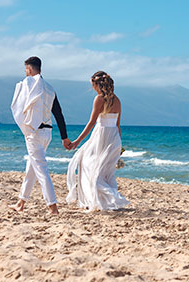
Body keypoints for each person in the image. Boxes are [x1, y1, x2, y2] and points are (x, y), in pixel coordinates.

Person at [9, 56, 72, 215]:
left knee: (41, 169)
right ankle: (21, 202)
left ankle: (53, 207)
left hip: (35, 132)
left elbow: (18, 106)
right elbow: (58, 113)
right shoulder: (50, 88)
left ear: (29, 69)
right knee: (32, 166)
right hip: (47, 132)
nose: (25, 73)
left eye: (25, 70)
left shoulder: (28, 85)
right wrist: (64, 137)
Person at [66, 71, 130, 211]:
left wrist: (77, 141)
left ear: (97, 85)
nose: (93, 88)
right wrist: (119, 146)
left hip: (101, 136)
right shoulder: (117, 100)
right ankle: (106, 200)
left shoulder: (99, 99)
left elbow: (91, 123)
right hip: (113, 137)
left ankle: (105, 199)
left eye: (93, 85)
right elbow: (118, 125)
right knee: (106, 171)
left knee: (88, 165)